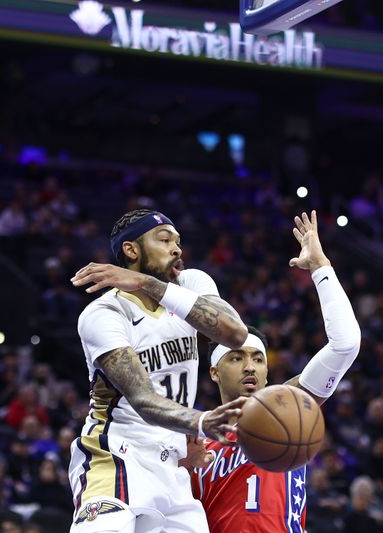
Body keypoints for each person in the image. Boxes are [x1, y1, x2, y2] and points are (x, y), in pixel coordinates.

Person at [68, 208, 249, 533]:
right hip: (116, 456)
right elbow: (143, 399)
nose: (176, 249)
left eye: (178, 241)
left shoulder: (190, 283)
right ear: (131, 249)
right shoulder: (104, 313)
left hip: (173, 466)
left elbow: (234, 334)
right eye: (164, 240)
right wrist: (202, 422)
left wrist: (148, 283)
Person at [189, 211, 361, 532]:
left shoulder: (289, 407)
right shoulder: (193, 435)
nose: (250, 366)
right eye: (237, 358)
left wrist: (320, 267)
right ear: (214, 371)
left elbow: (346, 344)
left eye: (258, 358)